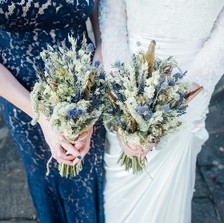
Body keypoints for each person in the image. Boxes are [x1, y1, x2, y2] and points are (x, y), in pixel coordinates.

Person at [100, 0, 224, 222]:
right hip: (128, 80)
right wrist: (124, 100)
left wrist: (181, 97)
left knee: (171, 187)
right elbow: (113, 23)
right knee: (123, 183)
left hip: (192, 86)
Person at [0, 1, 105, 222]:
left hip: (84, 90)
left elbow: (104, 29)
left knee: (88, 174)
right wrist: (44, 119)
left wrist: (91, 96)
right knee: (47, 179)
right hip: (22, 100)